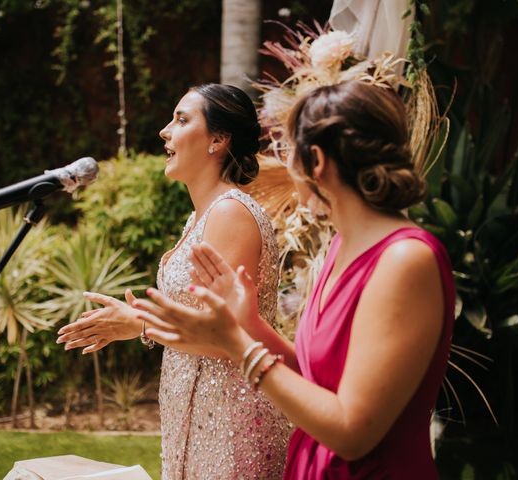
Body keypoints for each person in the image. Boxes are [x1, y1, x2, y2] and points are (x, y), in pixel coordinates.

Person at [133, 80, 455, 479]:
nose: (282, 165)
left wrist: (237, 344)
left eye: (288, 150)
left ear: (315, 161)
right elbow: (313, 374)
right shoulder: (342, 247)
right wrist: (248, 324)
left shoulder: (405, 260)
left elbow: (354, 434)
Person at [56, 84, 290, 479]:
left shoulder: (230, 214)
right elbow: (195, 317)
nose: (165, 131)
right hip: (195, 414)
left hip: (231, 421)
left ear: (218, 139)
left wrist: (142, 326)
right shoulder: (199, 217)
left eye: (181, 120)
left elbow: (230, 338)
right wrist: (139, 318)